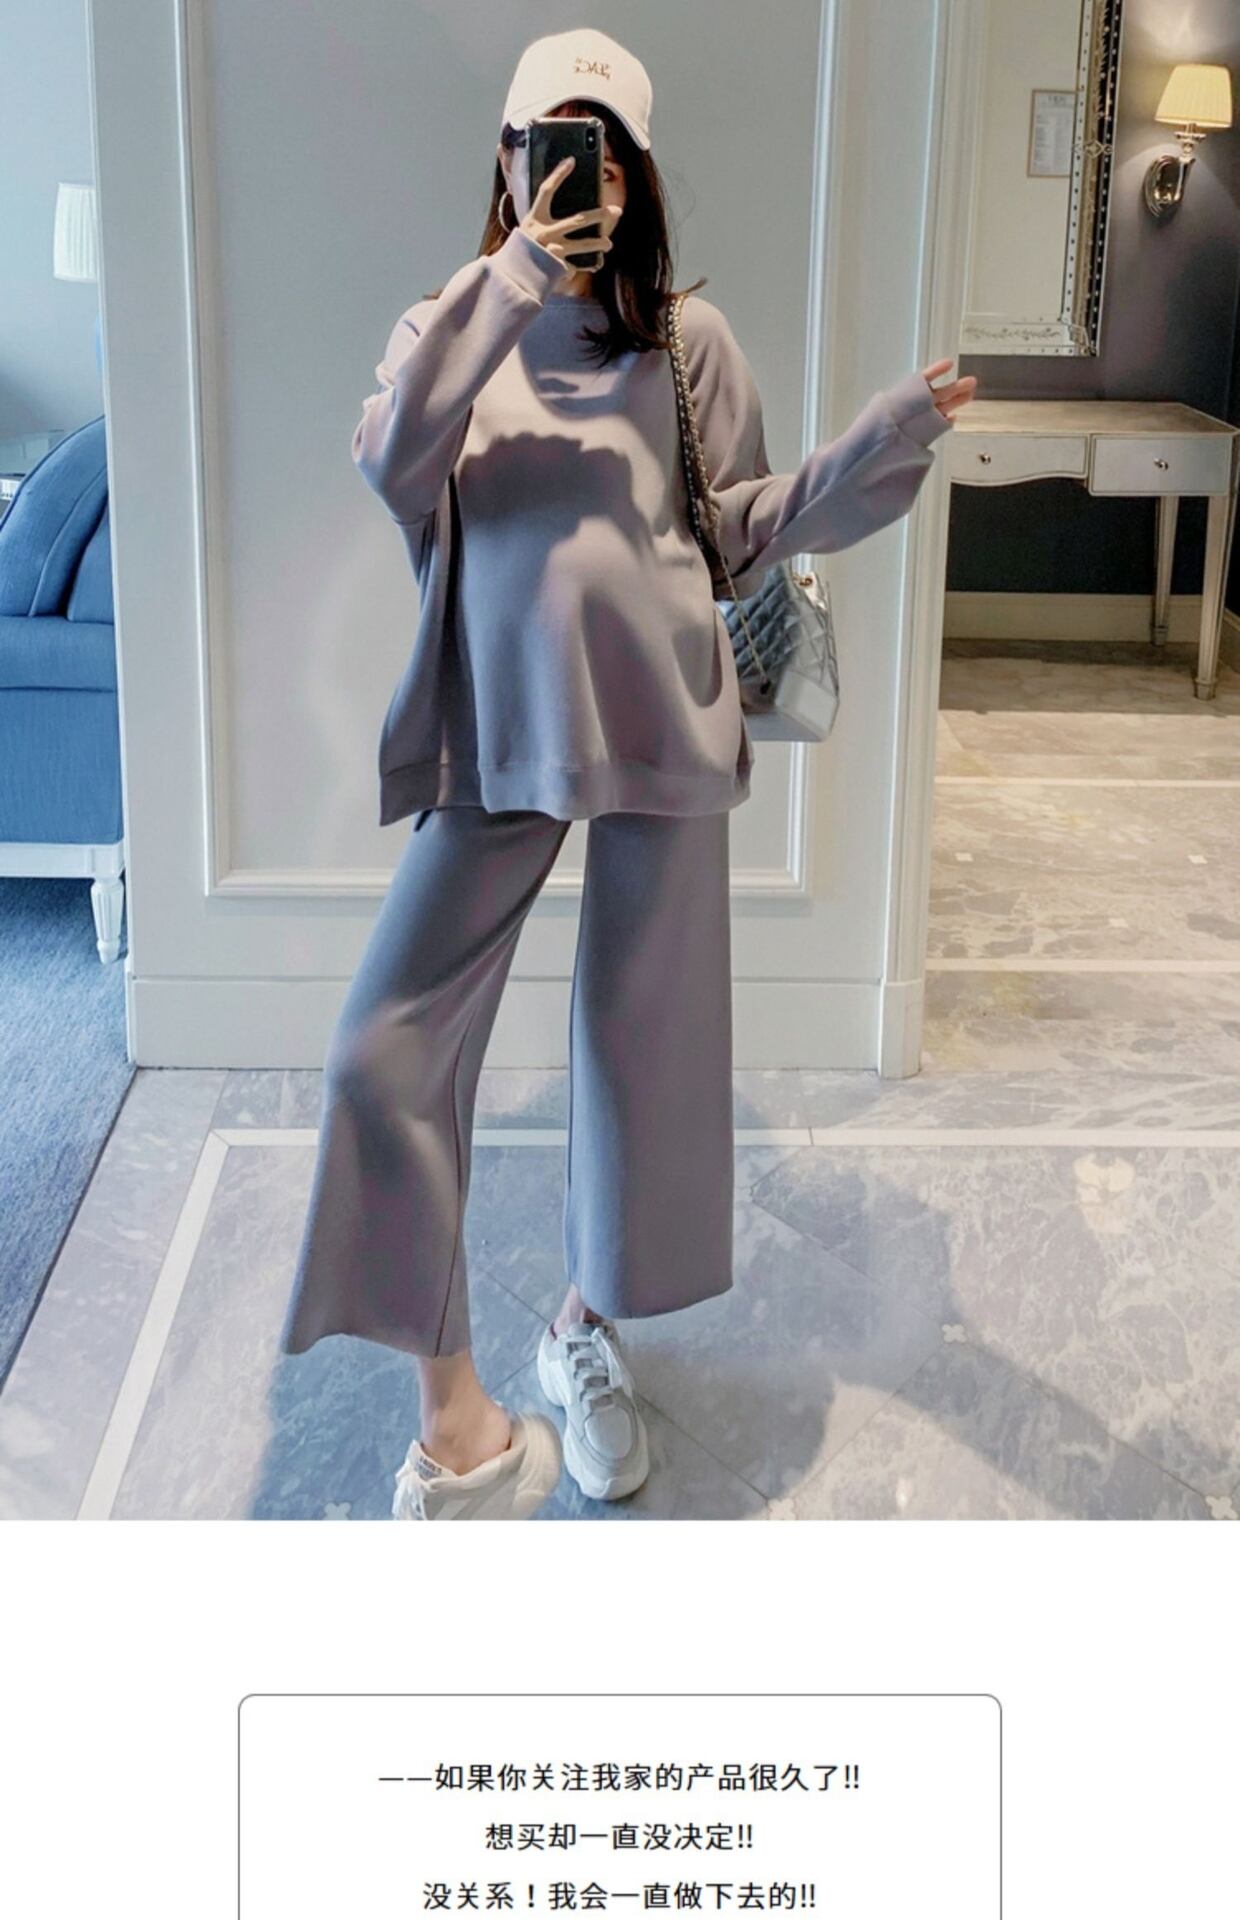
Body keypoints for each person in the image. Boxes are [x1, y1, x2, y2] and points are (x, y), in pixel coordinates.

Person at [278, 27, 976, 1521]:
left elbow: (735, 534)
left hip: (662, 722)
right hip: (498, 731)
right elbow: (394, 466)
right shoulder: (447, 326)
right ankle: (457, 1420)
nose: (575, 172)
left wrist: (881, 441)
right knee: (381, 1056)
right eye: (550, 142)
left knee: (643, 1059)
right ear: (509, 157)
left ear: (637, 170)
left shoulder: (686, 342)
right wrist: (516, 279)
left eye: (601, 147)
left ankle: (582, 1333)